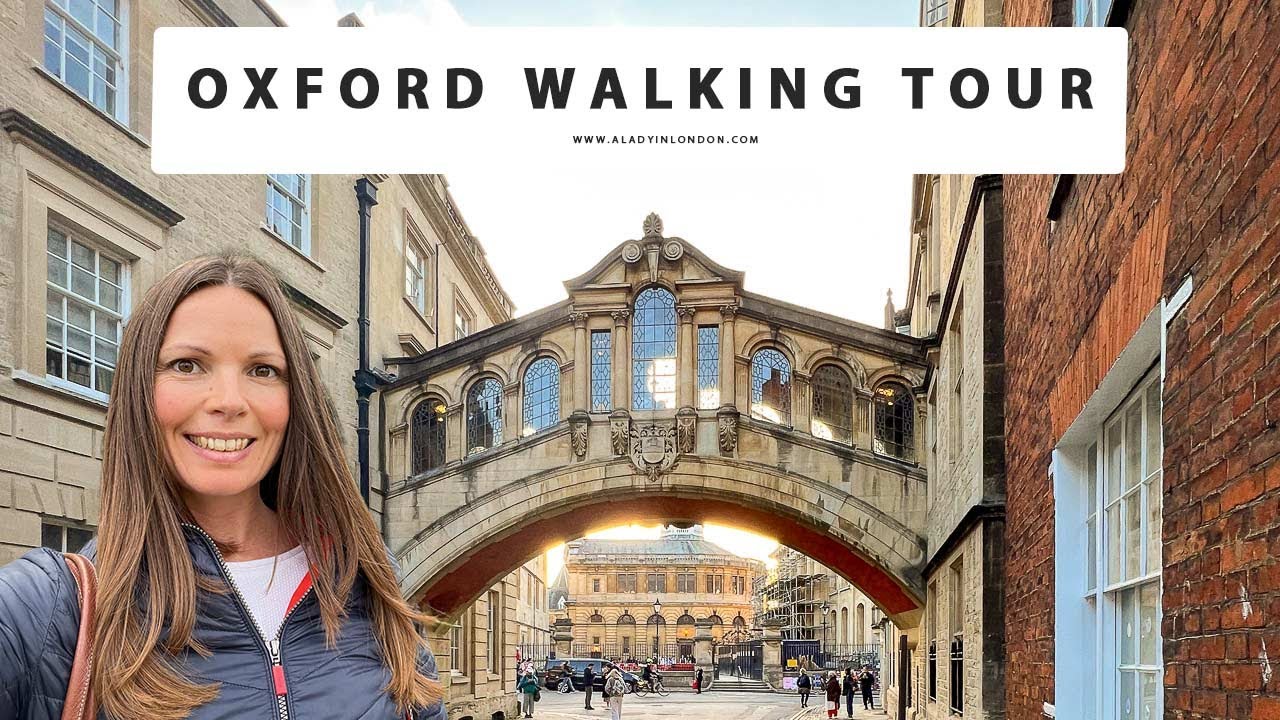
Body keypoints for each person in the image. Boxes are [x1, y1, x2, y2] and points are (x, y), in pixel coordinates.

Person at [0, 254, 446, 720]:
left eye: (262, 370)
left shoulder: (367, 575)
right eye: (187, 365)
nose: (229, 402)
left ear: (296, 399)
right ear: (139, 390)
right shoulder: (48, 607)